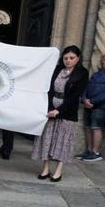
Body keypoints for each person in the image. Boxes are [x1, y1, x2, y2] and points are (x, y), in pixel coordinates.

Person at [34, 45, 89, 183]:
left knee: (62, 141)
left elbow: (75, 95)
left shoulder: (82, 73)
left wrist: (59, 110)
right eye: (66, 58)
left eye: (72, 58)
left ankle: (58, 170)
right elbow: (48, 87)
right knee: (47, 138)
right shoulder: (57, 69)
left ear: (78, 58)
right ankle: (45, 168)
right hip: (51, 107)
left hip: (67, 110)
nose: (68, 61)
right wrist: (49, 107)